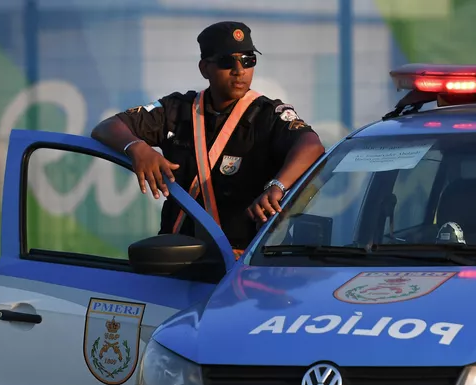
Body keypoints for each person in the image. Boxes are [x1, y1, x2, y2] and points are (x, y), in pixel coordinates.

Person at [91, 21, 325, 255]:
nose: (239, 70)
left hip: (244, 264)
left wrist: (278, 186)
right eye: (227, 61)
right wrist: (136, 148)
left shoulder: (268, 114)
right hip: (178, 257)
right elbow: (107, 127)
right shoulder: (176, 109)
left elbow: (311, 144)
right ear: (204, 69)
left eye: (248, 60)